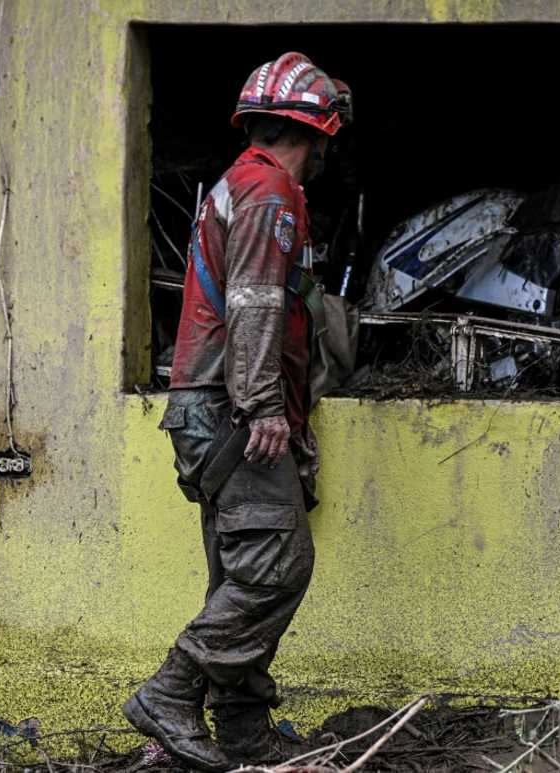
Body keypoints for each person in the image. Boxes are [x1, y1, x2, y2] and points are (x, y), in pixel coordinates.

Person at [122, 53, 349, 771]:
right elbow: (254, 301)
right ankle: (172, 692)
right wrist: (262, 406)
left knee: (242, 566)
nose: (323, 157)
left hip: (210, 407)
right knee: (276, 566)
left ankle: (244, 730)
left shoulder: (242, 185)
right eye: (324, 142)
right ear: (313, 135)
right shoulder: (269, 191)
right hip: (231, 405)